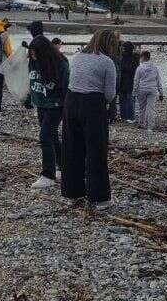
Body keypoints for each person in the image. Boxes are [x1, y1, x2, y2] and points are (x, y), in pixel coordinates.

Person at [62, 29, 118, 210]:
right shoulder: (107, 62)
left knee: (72, 149)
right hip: (92, 104)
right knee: (96, 151)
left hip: (71, 101)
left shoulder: (77, 56)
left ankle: (73, 193)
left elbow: (72, 79)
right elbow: (109, 94)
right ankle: (99, 197)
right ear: (109, 44)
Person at [25, 36, 70, 189]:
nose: (33, 56)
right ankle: (63, 167)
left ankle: (48, 175)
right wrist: (28, 97)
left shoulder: (60, 64)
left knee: (45, 136)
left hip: (56, 105)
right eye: (31, 54)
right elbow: (31, 80)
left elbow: (66, 88)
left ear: (44, 53)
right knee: (52, 137)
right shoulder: (32, 61)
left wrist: (68, 107)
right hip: (41, 103)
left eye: (35, 53)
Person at [133, 51, 163, 131]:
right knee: (151, 108)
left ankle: (142, 123)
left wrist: (134, 92)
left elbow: (136, 81)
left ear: (143, 57)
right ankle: (150, 127)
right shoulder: (155, 67)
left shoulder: (139, 68)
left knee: (142, 107)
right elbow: (158, 81)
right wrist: (161, 93)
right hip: (152, 89)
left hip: (142, 89)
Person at [118, 41, 139, 122]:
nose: (122, 50)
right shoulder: (122, 57)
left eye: (124, 48)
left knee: (129, 99)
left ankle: (130, 117)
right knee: (123, 99)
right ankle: (124, 116)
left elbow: (133, 69)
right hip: (123, 81)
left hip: (130, 81)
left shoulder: (134, 58)